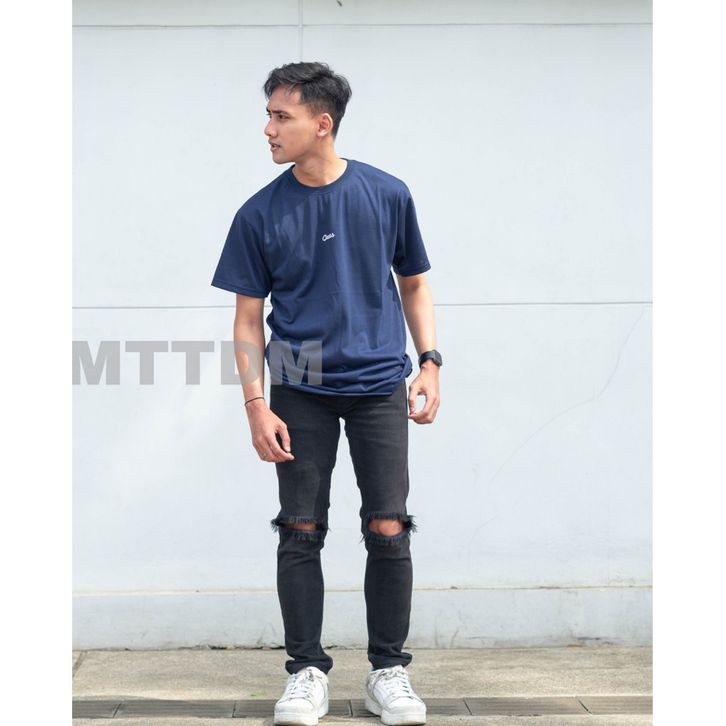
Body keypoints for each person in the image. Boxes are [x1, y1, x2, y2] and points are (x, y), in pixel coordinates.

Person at [211, 61, 442, 726]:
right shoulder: (259, 213)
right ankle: (306, 672)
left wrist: (430, 363)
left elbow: (414, 284)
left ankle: (388, 671)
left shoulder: (386, 194)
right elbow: (248, 319)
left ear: (322, 122)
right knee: (300, 529)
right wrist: (255, 404)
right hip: (300, 387)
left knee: (388, 526)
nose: (268, 128)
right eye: (268, 115)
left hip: (378, 384)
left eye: (280, 116)